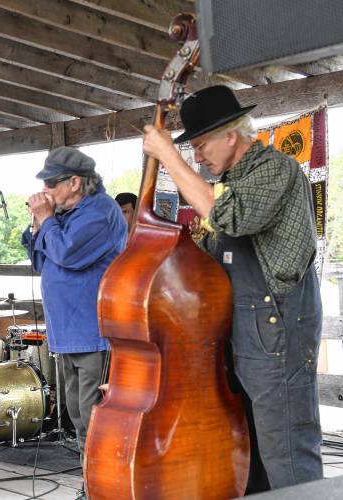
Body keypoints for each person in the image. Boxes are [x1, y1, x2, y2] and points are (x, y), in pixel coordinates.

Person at [142, 85, 323, 492]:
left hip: (276, 331)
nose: (198, 156)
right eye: (191, 149)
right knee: (253, 454)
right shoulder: (232, 181)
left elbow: (234, 219)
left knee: (289, 455)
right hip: (245, 335)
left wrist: (167, 155)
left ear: (231, 135)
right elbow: (221, 253)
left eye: (201, 144)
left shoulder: (275, 169)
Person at [21, 147, 127, 500]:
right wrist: (39, 222)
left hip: (93, 334)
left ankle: (103, 488)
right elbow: (39, 259)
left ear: (76, 182)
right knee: (78, 418)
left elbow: (68, 254)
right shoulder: (62, 214)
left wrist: (47, 220)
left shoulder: (99, 211)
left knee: (95, 418)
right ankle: (93, 485)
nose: (46, 190)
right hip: (66, 334)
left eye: (52, 182)